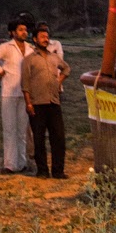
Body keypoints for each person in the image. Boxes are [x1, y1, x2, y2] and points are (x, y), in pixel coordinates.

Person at [21, 24, 70, 179]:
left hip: (54, 102)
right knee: (39, 138)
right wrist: (28, 103)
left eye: (47, 37)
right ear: (35, 39)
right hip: (37, 103)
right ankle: (42, 170)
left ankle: (58, 170)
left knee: (58, 137)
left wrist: (59, 81)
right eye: (42, 37)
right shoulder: (29, 60)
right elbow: (25, 83)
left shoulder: (54, 57)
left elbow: (67, 69)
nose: (45, 39)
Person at [0, 19, 33, 173]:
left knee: (22, 130)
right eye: (20, 29)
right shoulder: (6, 47)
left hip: (25, 93)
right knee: (10, 129)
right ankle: (10, 164)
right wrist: (0, 71)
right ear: (12, 32)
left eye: (25, 29)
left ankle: (22, 162)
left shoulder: (30, 49)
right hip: (9, 93)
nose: (24, 32)